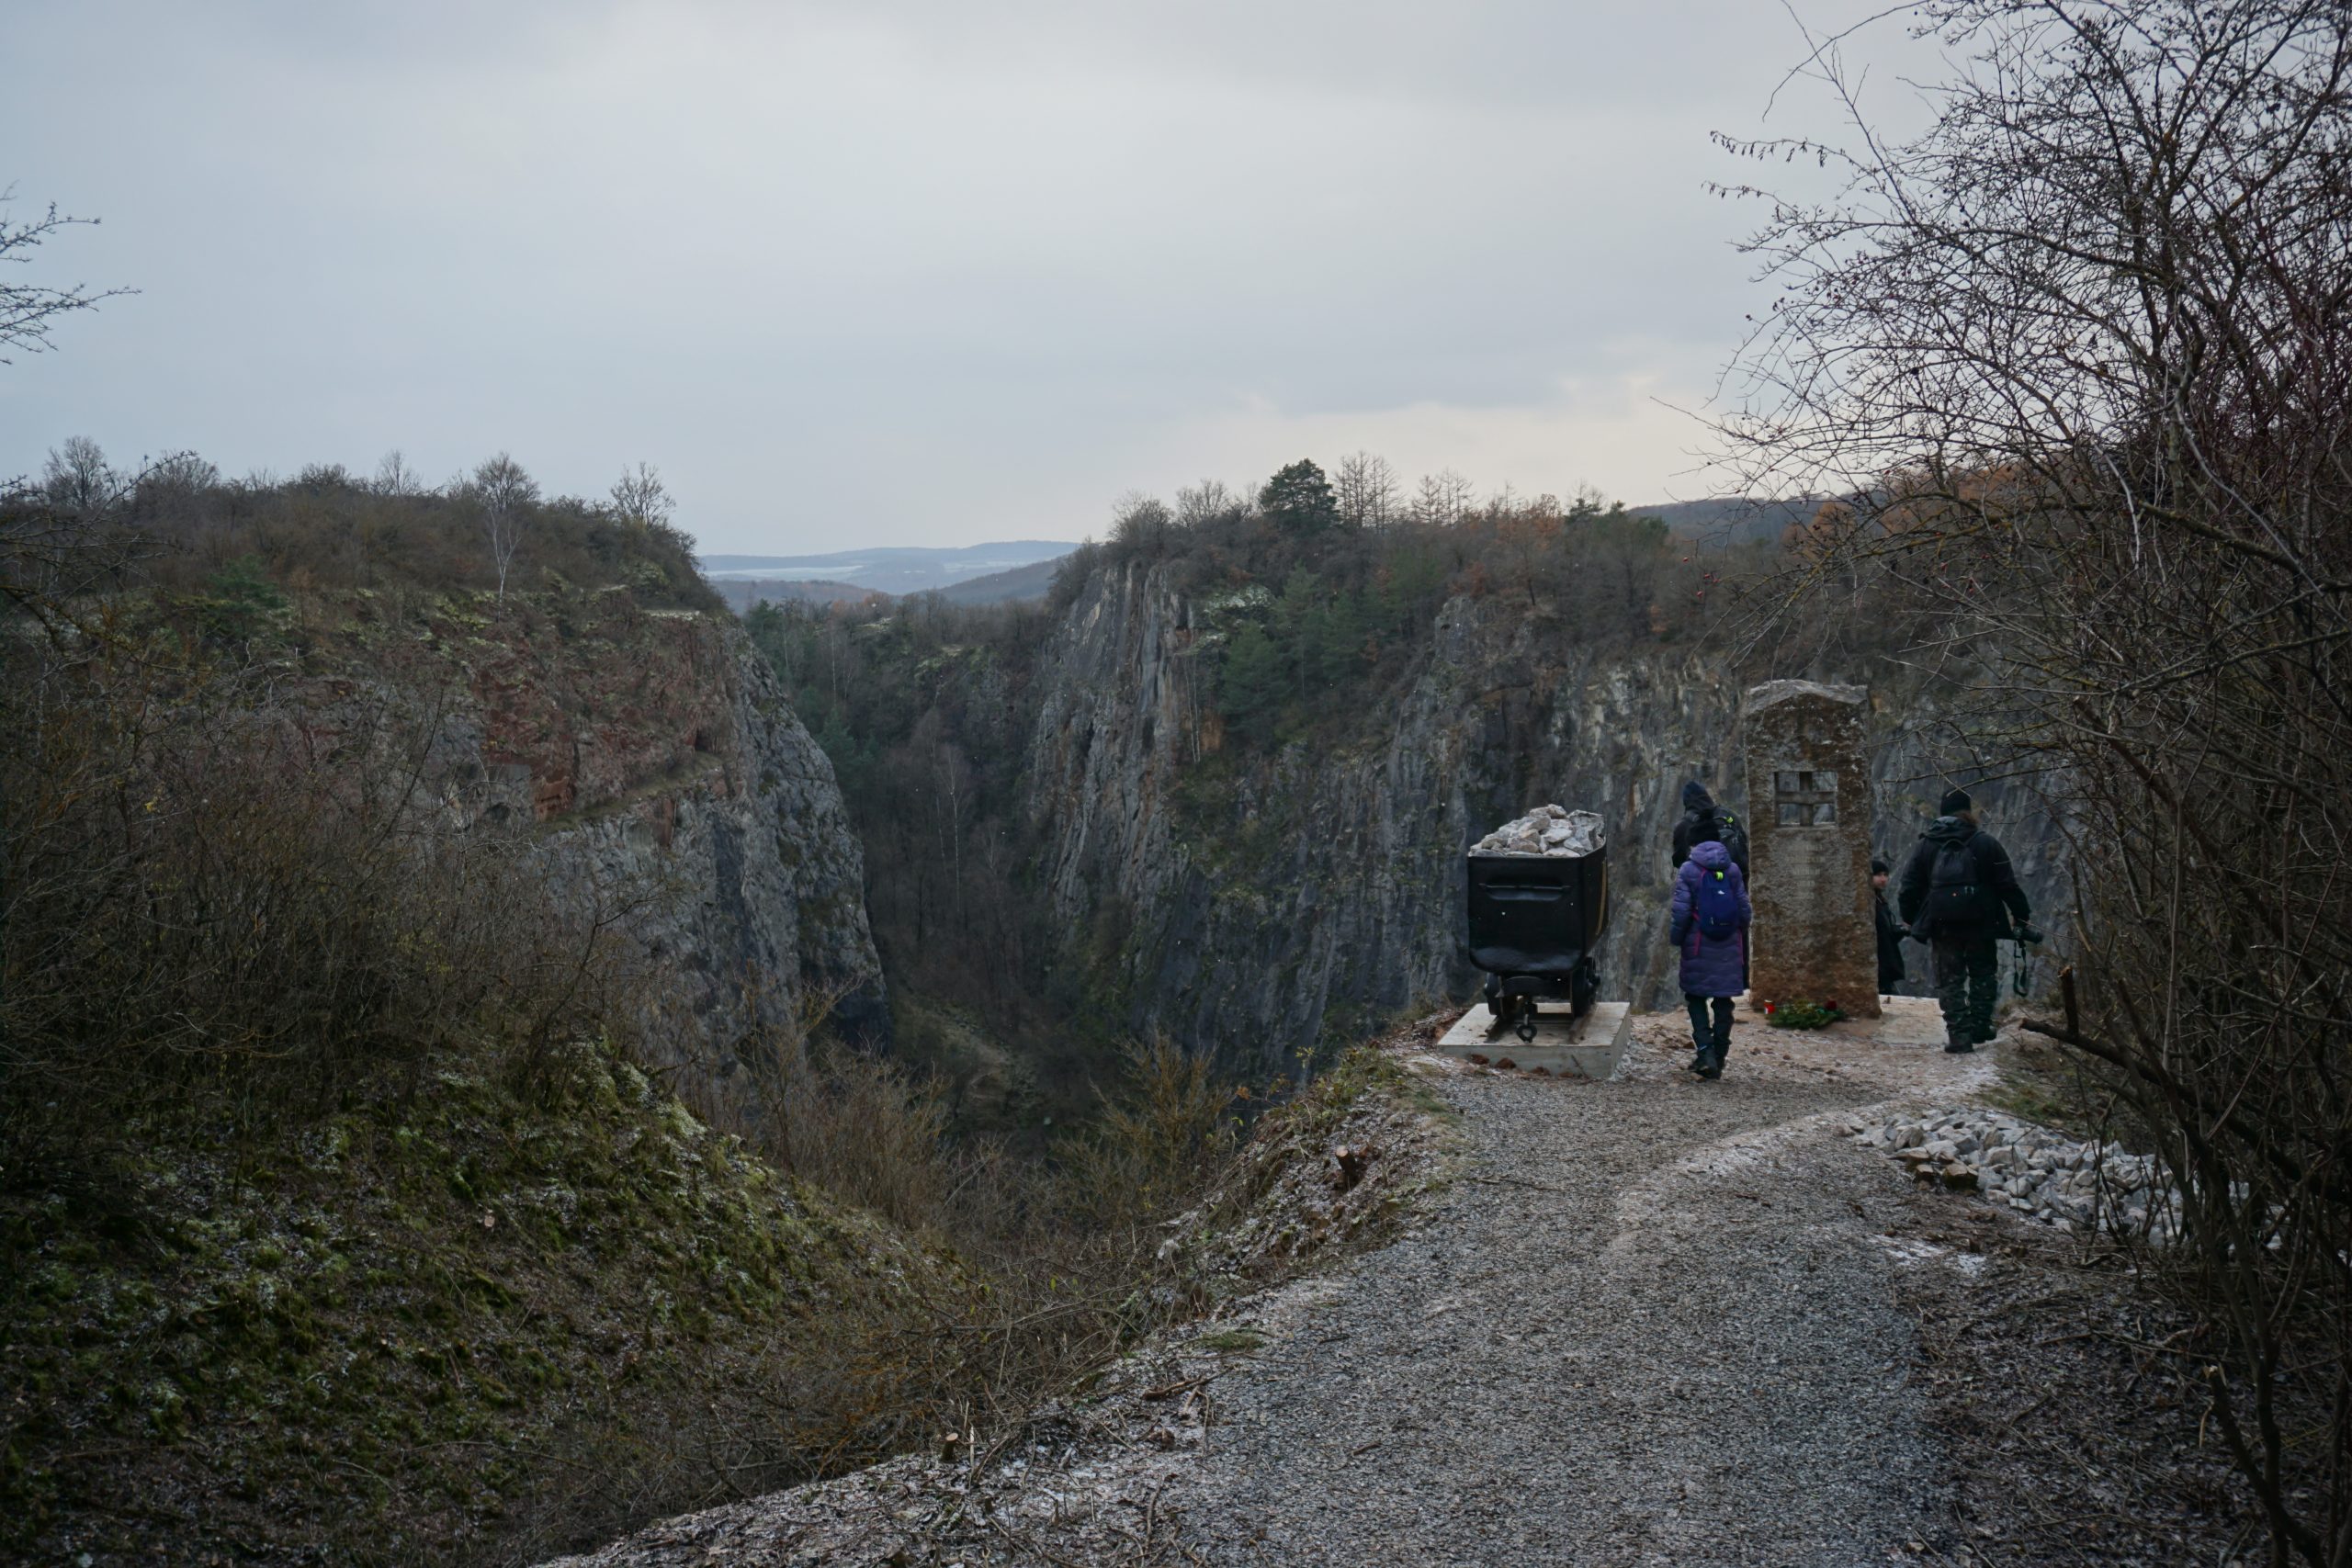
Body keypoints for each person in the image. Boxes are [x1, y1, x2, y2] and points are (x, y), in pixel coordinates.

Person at [1897, 788, 2033, 1053]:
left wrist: (1913, 919)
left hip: (1942, 924)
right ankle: (1981, 1027)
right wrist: (2021, 916)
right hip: (1981, 922)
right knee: (1983, 975)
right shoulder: (1986, 843)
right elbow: (2008, 885)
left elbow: (1908, 887)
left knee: (1949, 980)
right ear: (1968, 812)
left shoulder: (1926, 844)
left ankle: (1959, 1036)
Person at [1669, 839, 1751, 1080]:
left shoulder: (1689, 870)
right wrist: (1739, 933)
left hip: (1698, 943)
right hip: (1729, 944)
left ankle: (1705, 1052)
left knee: (1696, 997)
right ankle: (1720, 1054)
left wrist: (1677, 938)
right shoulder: (1732, 869)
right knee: (1723, 1000)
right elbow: (1744, 908)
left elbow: (1681, 911)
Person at [1670, 780, 1750, 878]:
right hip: (1736, 881)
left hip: (1702, 886)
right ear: (1706, 796)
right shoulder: (1727, 815)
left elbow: (1678, 861)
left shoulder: (1683, 826)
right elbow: (1744, 843)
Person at [1872, 856, 1907, 995]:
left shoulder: (1880, 902)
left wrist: (1901, 930)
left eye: (1885, 875)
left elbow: (1885, 932)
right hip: (1880, 965)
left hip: (1884, 964)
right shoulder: (1872, 903)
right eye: (1878, 875)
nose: (1883, 879)